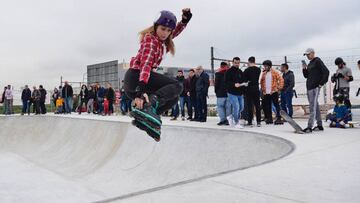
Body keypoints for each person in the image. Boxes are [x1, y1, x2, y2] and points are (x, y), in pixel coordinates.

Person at [123, 8, 192, 141]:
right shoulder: (151, 40)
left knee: (173, 97)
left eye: (168, 30)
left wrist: (184, 21)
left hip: (136, 84)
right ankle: (150, 105)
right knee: (177, 86)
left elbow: (175, 32)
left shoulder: (163, 40)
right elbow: (146, 64)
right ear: (155, 26)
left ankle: (146, 119)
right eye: (162, 29)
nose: (165, 33)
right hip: (137, 78)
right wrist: (140, 90)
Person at [302, 48, 330, 133]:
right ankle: (320, 125)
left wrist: (321, 83)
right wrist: (304, 68)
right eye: (306, 55)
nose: (307, 56)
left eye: (308, 54)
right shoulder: (310, 64)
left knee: (312, 107)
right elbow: (306, 76)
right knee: (315, 106)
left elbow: (326, 72)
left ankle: (309, 126)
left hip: (315, 87)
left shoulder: (317, 61)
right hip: (309, 87)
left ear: (313, 53)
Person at [225, 57, 247, 128]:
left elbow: (243, 81)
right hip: (231, 93)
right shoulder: (228, 71)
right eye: (235, 63)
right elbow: (226, 82)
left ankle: (230, 116)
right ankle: (236, 123)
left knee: (241, 107)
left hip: (240, 93)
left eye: (238, 63)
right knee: (236, 107)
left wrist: (244, 84)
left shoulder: (240, 71)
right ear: (232, 62)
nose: (237, 64)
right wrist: (233, 84)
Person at [260, 60, 284, 125]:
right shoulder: (264, 73)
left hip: (273, 91)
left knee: (276, 105)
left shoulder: (274, 72)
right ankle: (269, 118)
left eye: (266, 66)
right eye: (264, 66)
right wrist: (262, 90)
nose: (264, 67)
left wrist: (279, 88)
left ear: (269, 66)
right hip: (266, 92)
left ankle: (279, 118)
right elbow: (261, 82)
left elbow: (281, 79)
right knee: (268, 106)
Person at [243, 56, 262, 127]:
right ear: (254, 61)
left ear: (248, 61)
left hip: (249, 89)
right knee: (257, 106)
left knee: (250, 106)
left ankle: (250, 121)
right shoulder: (258, 70)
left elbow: (244, 80)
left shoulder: (246, 70)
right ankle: (259, 121)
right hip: (256, 89)